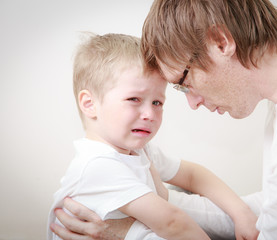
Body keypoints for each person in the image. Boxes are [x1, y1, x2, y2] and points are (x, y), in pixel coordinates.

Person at [51, 0, 277, 239]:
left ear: (221, 43)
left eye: (184, 82)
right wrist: (228, 211)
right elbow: (276, 208)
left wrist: (126, 232)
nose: (192, 102)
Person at [48, 32, 259, 240]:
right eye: (134, 99)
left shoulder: (140, 151)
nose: (149, 114)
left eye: (157, 102)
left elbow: (193, 175)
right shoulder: (97, 165)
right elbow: (172, 223)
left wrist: (241, 212)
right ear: (89, 104)